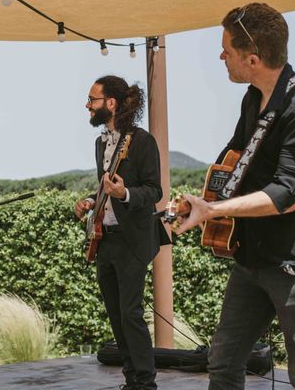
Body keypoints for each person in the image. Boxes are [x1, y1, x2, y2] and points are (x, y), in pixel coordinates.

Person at [172, 3, 295, 389]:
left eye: (227, 49)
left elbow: (287, 194)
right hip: (252, 259)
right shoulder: (252, 99)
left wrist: (211, 210)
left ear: (253, 59)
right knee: (223, 362)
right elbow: (232, 163)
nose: (221, 55)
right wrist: (195, 203)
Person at [73, 75, 167, 390]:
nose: (87, 105)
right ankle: (131, 379)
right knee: (116, 314)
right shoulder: (100, 143)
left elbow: (155, 191)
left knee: (131, 313)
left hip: (132, 241)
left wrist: (125, 193)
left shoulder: (142, 141)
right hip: (105, 240)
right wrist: (91, 200)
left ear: (110, 103)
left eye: (92, 99)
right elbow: (105, 188)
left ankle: (145, 381)